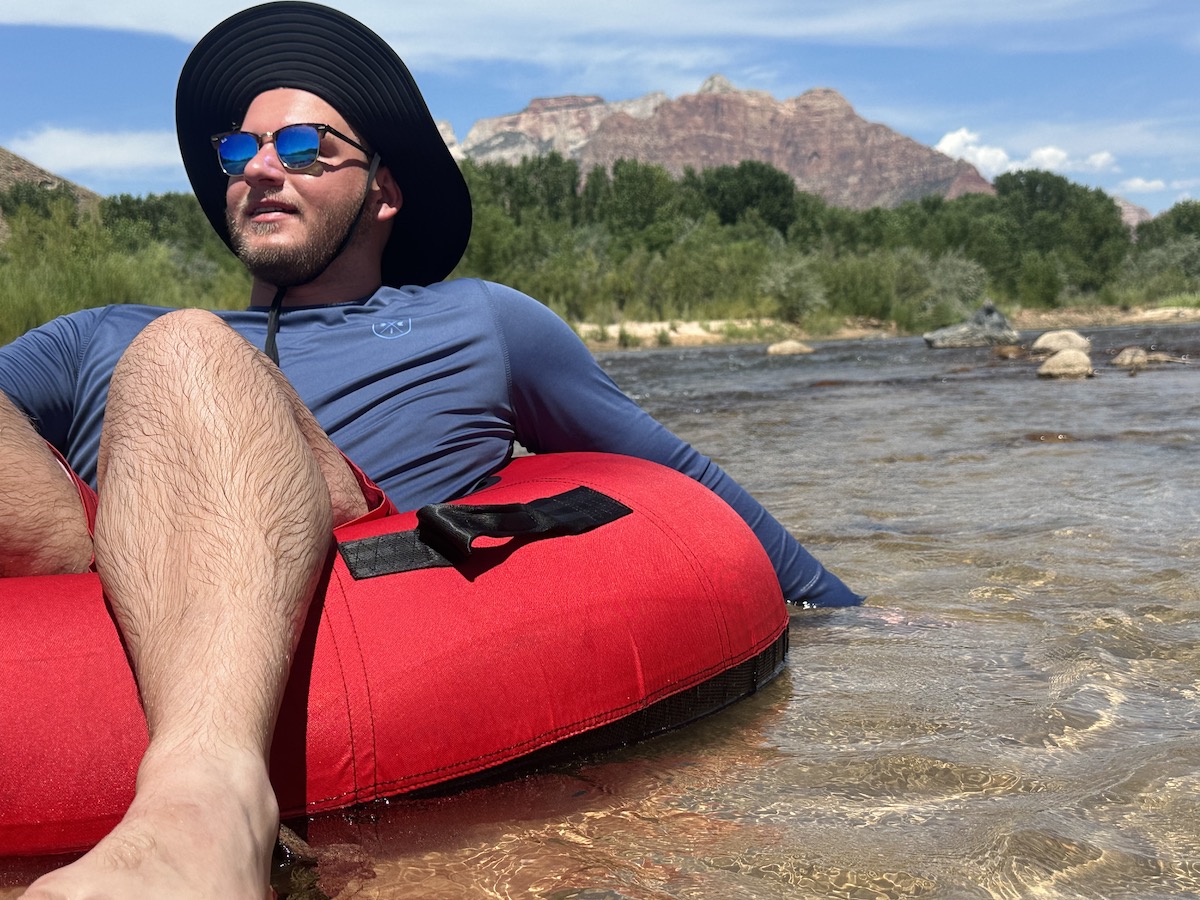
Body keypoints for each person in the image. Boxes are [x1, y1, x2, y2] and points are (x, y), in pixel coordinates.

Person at [5, 2, 860, 896]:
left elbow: (682, 479)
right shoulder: (96, 335)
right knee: (167, 347)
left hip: (320, 547)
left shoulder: (479, 321)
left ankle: (206, 819)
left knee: (185, 355)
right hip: (97, 557)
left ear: (382, 188)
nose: (258, 168)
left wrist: (857, 620)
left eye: (300, 148)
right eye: (237, 151)